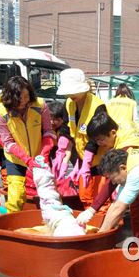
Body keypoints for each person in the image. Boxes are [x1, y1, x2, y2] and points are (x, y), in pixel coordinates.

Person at [78, 112, 139, 242]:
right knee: (132, 202)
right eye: (96, 140)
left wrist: (92, 211)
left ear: (112, 132)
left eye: (101, 139)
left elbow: (113, 184)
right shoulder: (117, 128)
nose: (99, 144)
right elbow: (117, 197)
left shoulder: (126, 148)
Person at [0, 76, 54, 213]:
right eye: (18, 98)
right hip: (16, 160)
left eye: (26, 97)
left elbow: (48, 132)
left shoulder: (40, 105)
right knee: (16, 196)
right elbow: (8, 142)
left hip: (40, 157)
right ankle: (11, 228)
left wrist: (43, 154)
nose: (23, 101)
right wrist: (27, 160)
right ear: (10, 98)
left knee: (49, 193)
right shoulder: (0, 113)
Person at [56, 68, 108, 210]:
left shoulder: (97, 106)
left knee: (101, 200)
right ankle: (90, 227)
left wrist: (86, 164)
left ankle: (104, 229)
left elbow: (95, 138)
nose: (71, 95)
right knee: (85, 197)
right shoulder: (69, 103)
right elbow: (67, 128)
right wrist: (61, 154)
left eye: (74, 91)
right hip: (82, 156)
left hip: (99, 160)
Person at [47, 101, 75, 180]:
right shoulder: (44, 128)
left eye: (56, 119)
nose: (52, 122)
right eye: (50, 119)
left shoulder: (66, 129)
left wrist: (64, 164)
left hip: (68, 149)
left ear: (63, 119)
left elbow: (68, 149)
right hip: (51, 148)